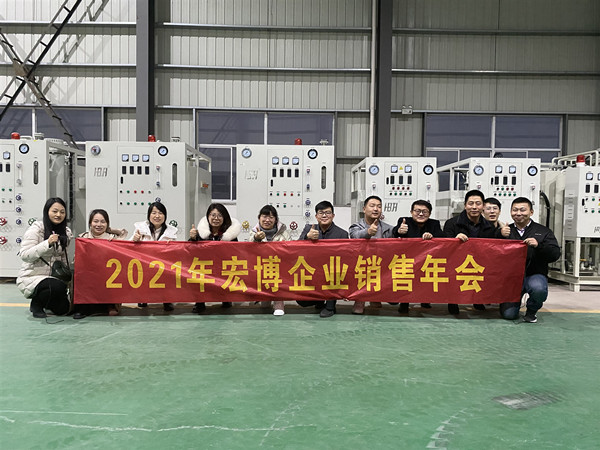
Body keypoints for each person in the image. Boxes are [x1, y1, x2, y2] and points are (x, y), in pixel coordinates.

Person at [499, 197, 560, 323]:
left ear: (531, 212)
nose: (518, 213)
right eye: (515, 210)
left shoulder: (543, 231)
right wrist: (499, 234)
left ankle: (531, 311)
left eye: (522, 210)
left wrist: (539, 246)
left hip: (534, 274)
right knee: (509, 315)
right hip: (511, 278)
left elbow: (554, 254)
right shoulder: (506, 231)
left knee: (538, 288)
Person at [17, 197, 73, 319]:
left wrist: (67, 281)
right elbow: (25, 255)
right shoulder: (36, 229)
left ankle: (47, 300)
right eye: (55, 211)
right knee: (55, 286)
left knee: (63, 309)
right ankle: (36, 304)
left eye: (62, 212)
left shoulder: (66, 232)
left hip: (54, 277)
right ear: (47, 211)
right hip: (32, 276)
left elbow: (64, 258)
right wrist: (47, 243)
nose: (58, 215)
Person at [443, 190, 496, 314]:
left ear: (483, 206)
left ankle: (478, 300)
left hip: (479, 261)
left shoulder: (489, 226)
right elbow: (444, 245)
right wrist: (454, 240)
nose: (474, 207)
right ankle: (453, 301)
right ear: (465, 205)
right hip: (457, 261)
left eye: (478, 203)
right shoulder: (451, 223)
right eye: (471, 203)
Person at [392, 199, 445, 313]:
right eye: (417, 211)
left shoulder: (434, 224)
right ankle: (404, 302)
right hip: (408, 260)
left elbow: (442, 237)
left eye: (424, 212)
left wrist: (432, 236)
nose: (421, 214)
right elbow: (395, 232)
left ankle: (425, 299)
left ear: (429, 214)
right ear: (411, 212)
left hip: (427, 260)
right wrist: (399, 231)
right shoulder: (404, 221)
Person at [297, 200, 349, 318]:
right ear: (316, 216)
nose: (324, 215)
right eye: (321, 213)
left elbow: (346, 259)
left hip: (332, 274)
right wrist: (307, 237)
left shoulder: (342, 234)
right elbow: (296, 248)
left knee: (335, 273)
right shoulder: (309, 229)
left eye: (327, 213)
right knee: (301, 301)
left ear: (333, 215)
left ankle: (330, 306)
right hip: (313, 272)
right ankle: (319, 300)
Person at [189, 203, 241, 312]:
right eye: (213, 215)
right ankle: (199, 302)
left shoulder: (230, 235)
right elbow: (190, 249)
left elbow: (235, 252)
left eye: (220, 215)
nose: (216, 218)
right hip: (205, 266)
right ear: (208, 216)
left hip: (223, 266)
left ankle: (226, 299)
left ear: (224, 217)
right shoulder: (201, 233)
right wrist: (192, 238)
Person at [348, 195, 393, 314]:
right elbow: (355, 236)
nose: (376, 209)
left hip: (382, 264)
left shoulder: (388, 228)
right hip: (362, 264)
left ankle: (375, 296)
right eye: (372, 206)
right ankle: (360, 299)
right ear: (364, 209)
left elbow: (396, 239)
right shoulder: (355, 226)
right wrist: (368, 232)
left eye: (379, 206)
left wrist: (400, 231)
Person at [78, 209, 128, 316]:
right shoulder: (83, 238)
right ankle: (83, 307)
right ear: (90, 223)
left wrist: (110, 230)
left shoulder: (112, 238)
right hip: (89, 273)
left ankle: (111, 305)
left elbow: (124, 233)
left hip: (108, 274)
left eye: (103, 222)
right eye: (95, 221)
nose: (99, 225)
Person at [132, 202, 178, 311]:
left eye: (160, 213)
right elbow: (129, 247)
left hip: (163, 264)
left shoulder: (171, 232)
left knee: (168, 273)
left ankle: (167, 300)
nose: (157, 216)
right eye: (154, 213)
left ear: (165, 216)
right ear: (149, 215)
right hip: (145, 263)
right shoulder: (140, 229)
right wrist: (135, 240)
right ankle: (143, 298)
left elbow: (175, 251)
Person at [248, 205, 291, 316]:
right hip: (260, 267)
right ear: (259, 218)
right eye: (264, 216)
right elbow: (249, 248)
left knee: (277, 274)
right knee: (264, 305)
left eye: (271, 217)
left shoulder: (284, 233)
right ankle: (264, 298)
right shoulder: (254, 232)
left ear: (276, 219)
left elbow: (291, 249)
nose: (267, 220)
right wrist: (256, 238)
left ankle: (278, 303)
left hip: (279, 267)